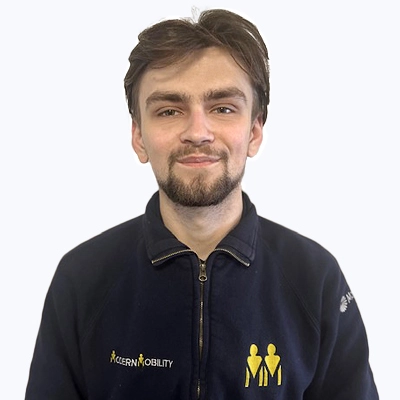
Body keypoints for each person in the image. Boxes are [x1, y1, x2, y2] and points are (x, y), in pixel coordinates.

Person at [25, 8, 379, 400]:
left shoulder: (315, 281)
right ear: (139, 137)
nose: (197, 132)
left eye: (223, 108)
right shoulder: (82, 279)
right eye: (169, 110)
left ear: (254, 131)